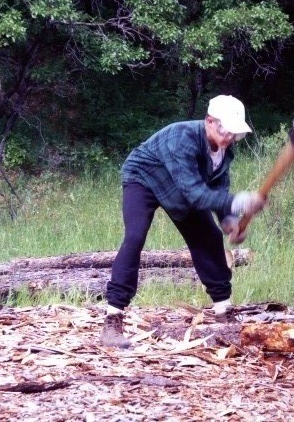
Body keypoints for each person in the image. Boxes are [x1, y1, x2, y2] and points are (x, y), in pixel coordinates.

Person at [100, 95, 266, 348]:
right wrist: (239, 202)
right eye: (227, 131)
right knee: (135, 236)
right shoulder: (182, 138)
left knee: (210, 236)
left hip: (181, 187)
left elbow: (218, 191)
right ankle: (112, 320)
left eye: (236, 134)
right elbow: (195, 193)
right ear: (210, 121)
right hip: (143, 179)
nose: (231, 138)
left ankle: (223, 310)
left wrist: (230, 221)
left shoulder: (224, 150)